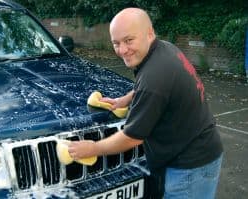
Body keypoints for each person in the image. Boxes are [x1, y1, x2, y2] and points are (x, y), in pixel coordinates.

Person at [68, 7, 223, 199]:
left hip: (191, 168)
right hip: (199, 150)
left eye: (129, 40)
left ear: (149, 34)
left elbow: (132, 137)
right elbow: (152, 86)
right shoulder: (164, 49)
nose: (122, 50)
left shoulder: (154, 77)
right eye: (116, 43)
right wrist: (124, 99)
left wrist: (93, 148)